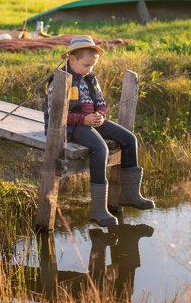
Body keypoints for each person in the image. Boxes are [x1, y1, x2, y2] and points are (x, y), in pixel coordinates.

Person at [44, 35, 155, 227]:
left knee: (129, 139)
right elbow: (55, 115)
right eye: (86, 65)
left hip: (91, 121)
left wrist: (101, 115)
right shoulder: (61, 80)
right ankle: (98, 209)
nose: (90, 70)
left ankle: (129, 194)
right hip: (68, 126)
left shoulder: (91, 79)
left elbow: (101, 102)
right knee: (100, 148)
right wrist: (83, 119)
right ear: (72, 59)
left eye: (92, 66)